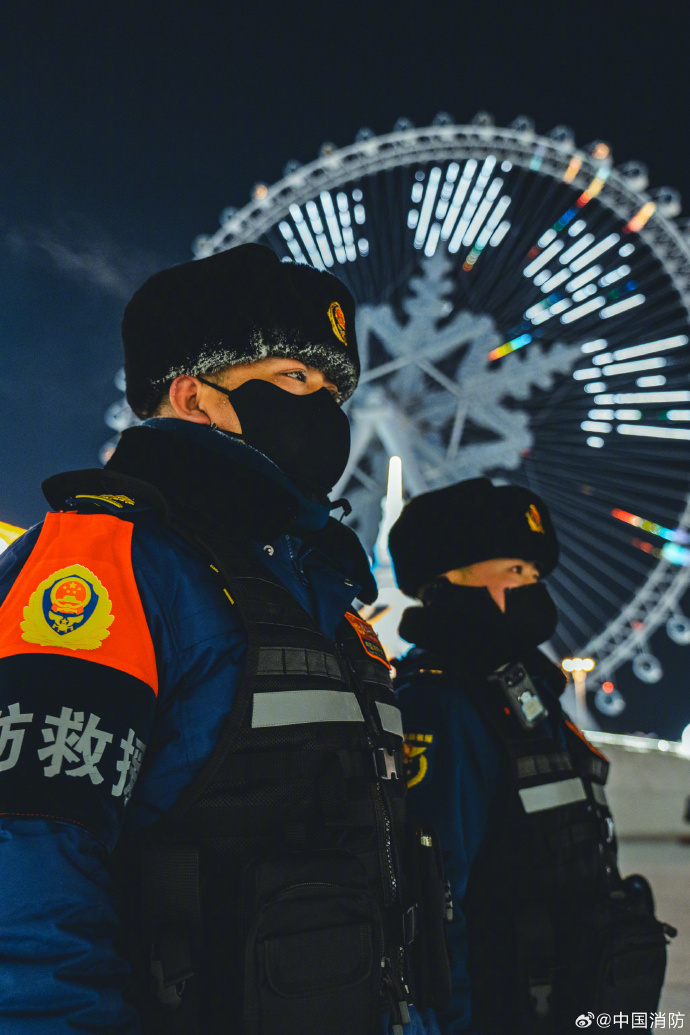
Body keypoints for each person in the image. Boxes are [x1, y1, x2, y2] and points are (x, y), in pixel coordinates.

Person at [0, 244, 446, 1034]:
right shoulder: (106, 562)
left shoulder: (322, 595)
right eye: (296, 378)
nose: (327, 411)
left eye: (335, 389)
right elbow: (27, 872)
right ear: (192, 396)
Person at [388, 478, 671, 1035]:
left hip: (566, 997)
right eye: (515, 570)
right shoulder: (439, 704)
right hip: (501, 1007)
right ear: (449, 578)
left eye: (535, 575)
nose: (533, 589)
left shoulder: (528, 693)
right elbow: (436, 899)